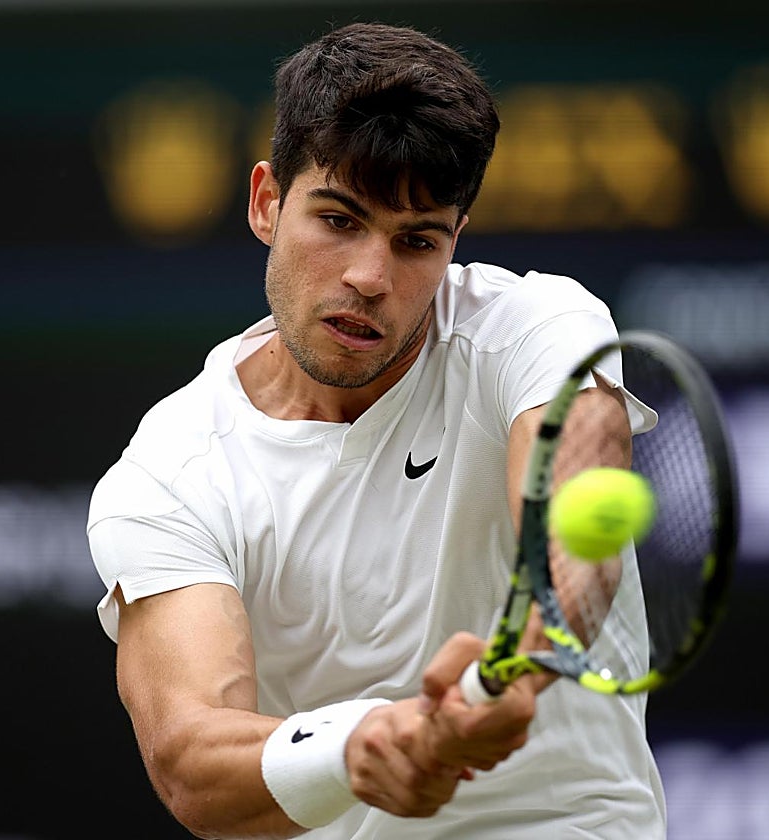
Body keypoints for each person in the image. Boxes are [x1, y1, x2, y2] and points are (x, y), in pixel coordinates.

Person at [87, 21, 665, 839]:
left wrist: (528, 665)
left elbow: (574, 522)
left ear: (454, 242)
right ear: (266, 202)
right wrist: (355, 750)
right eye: (338, 220)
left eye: (416, 241)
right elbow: (191, 761)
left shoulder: (538, 328)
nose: (370, 277)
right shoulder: (169, 476)